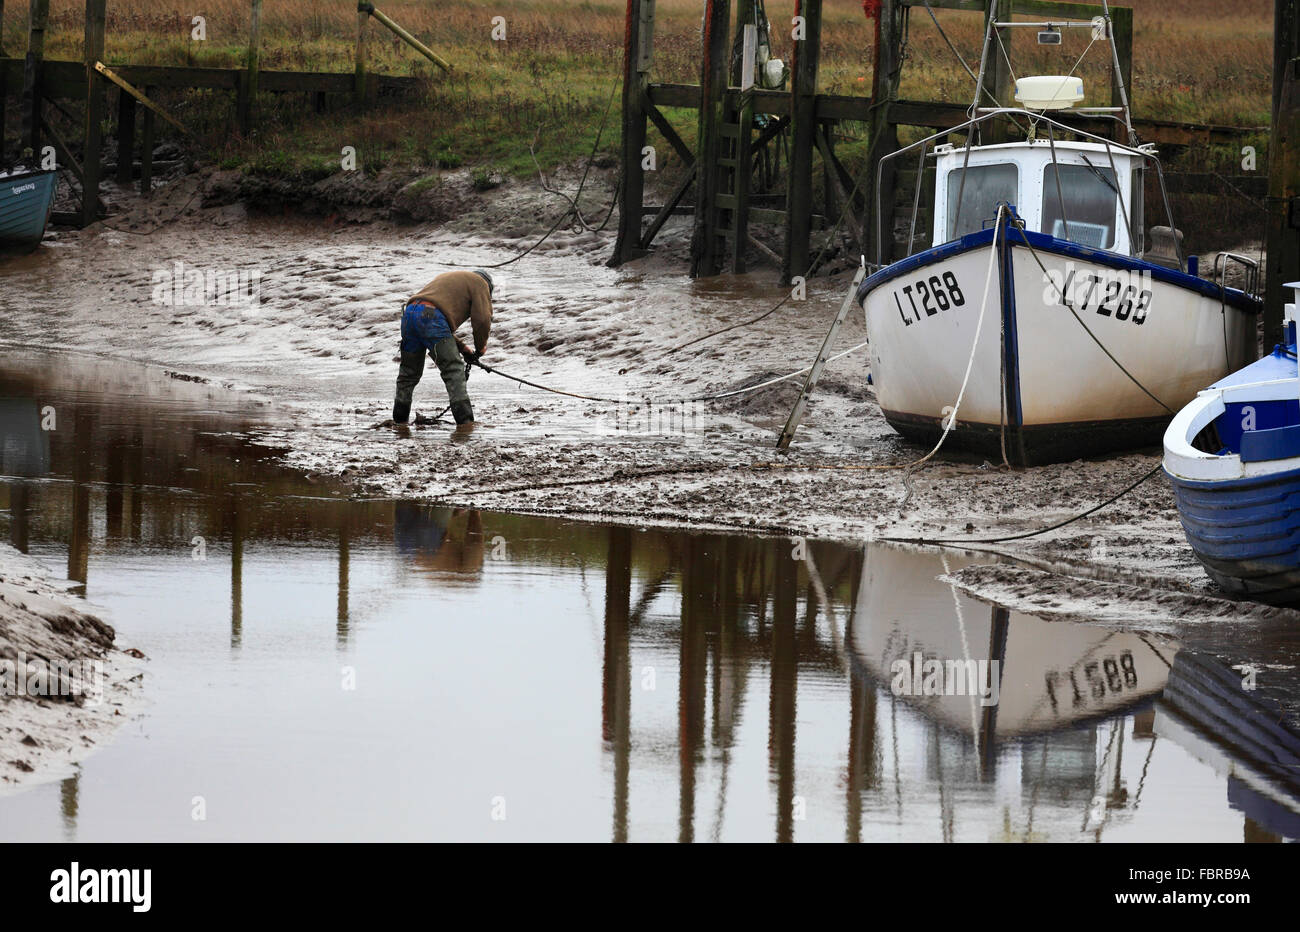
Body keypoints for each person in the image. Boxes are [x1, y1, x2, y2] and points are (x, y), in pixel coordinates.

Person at [392, 269, 494, 425]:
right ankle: (465, 422)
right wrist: (481, 347)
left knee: (408, 373)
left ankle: (399, 421)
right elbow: (482, 319)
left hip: (410, 313)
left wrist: (462, 348)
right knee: (453, 370)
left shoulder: (455, 279)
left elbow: (429, 318)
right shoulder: (480, 283)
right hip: (430, 316)